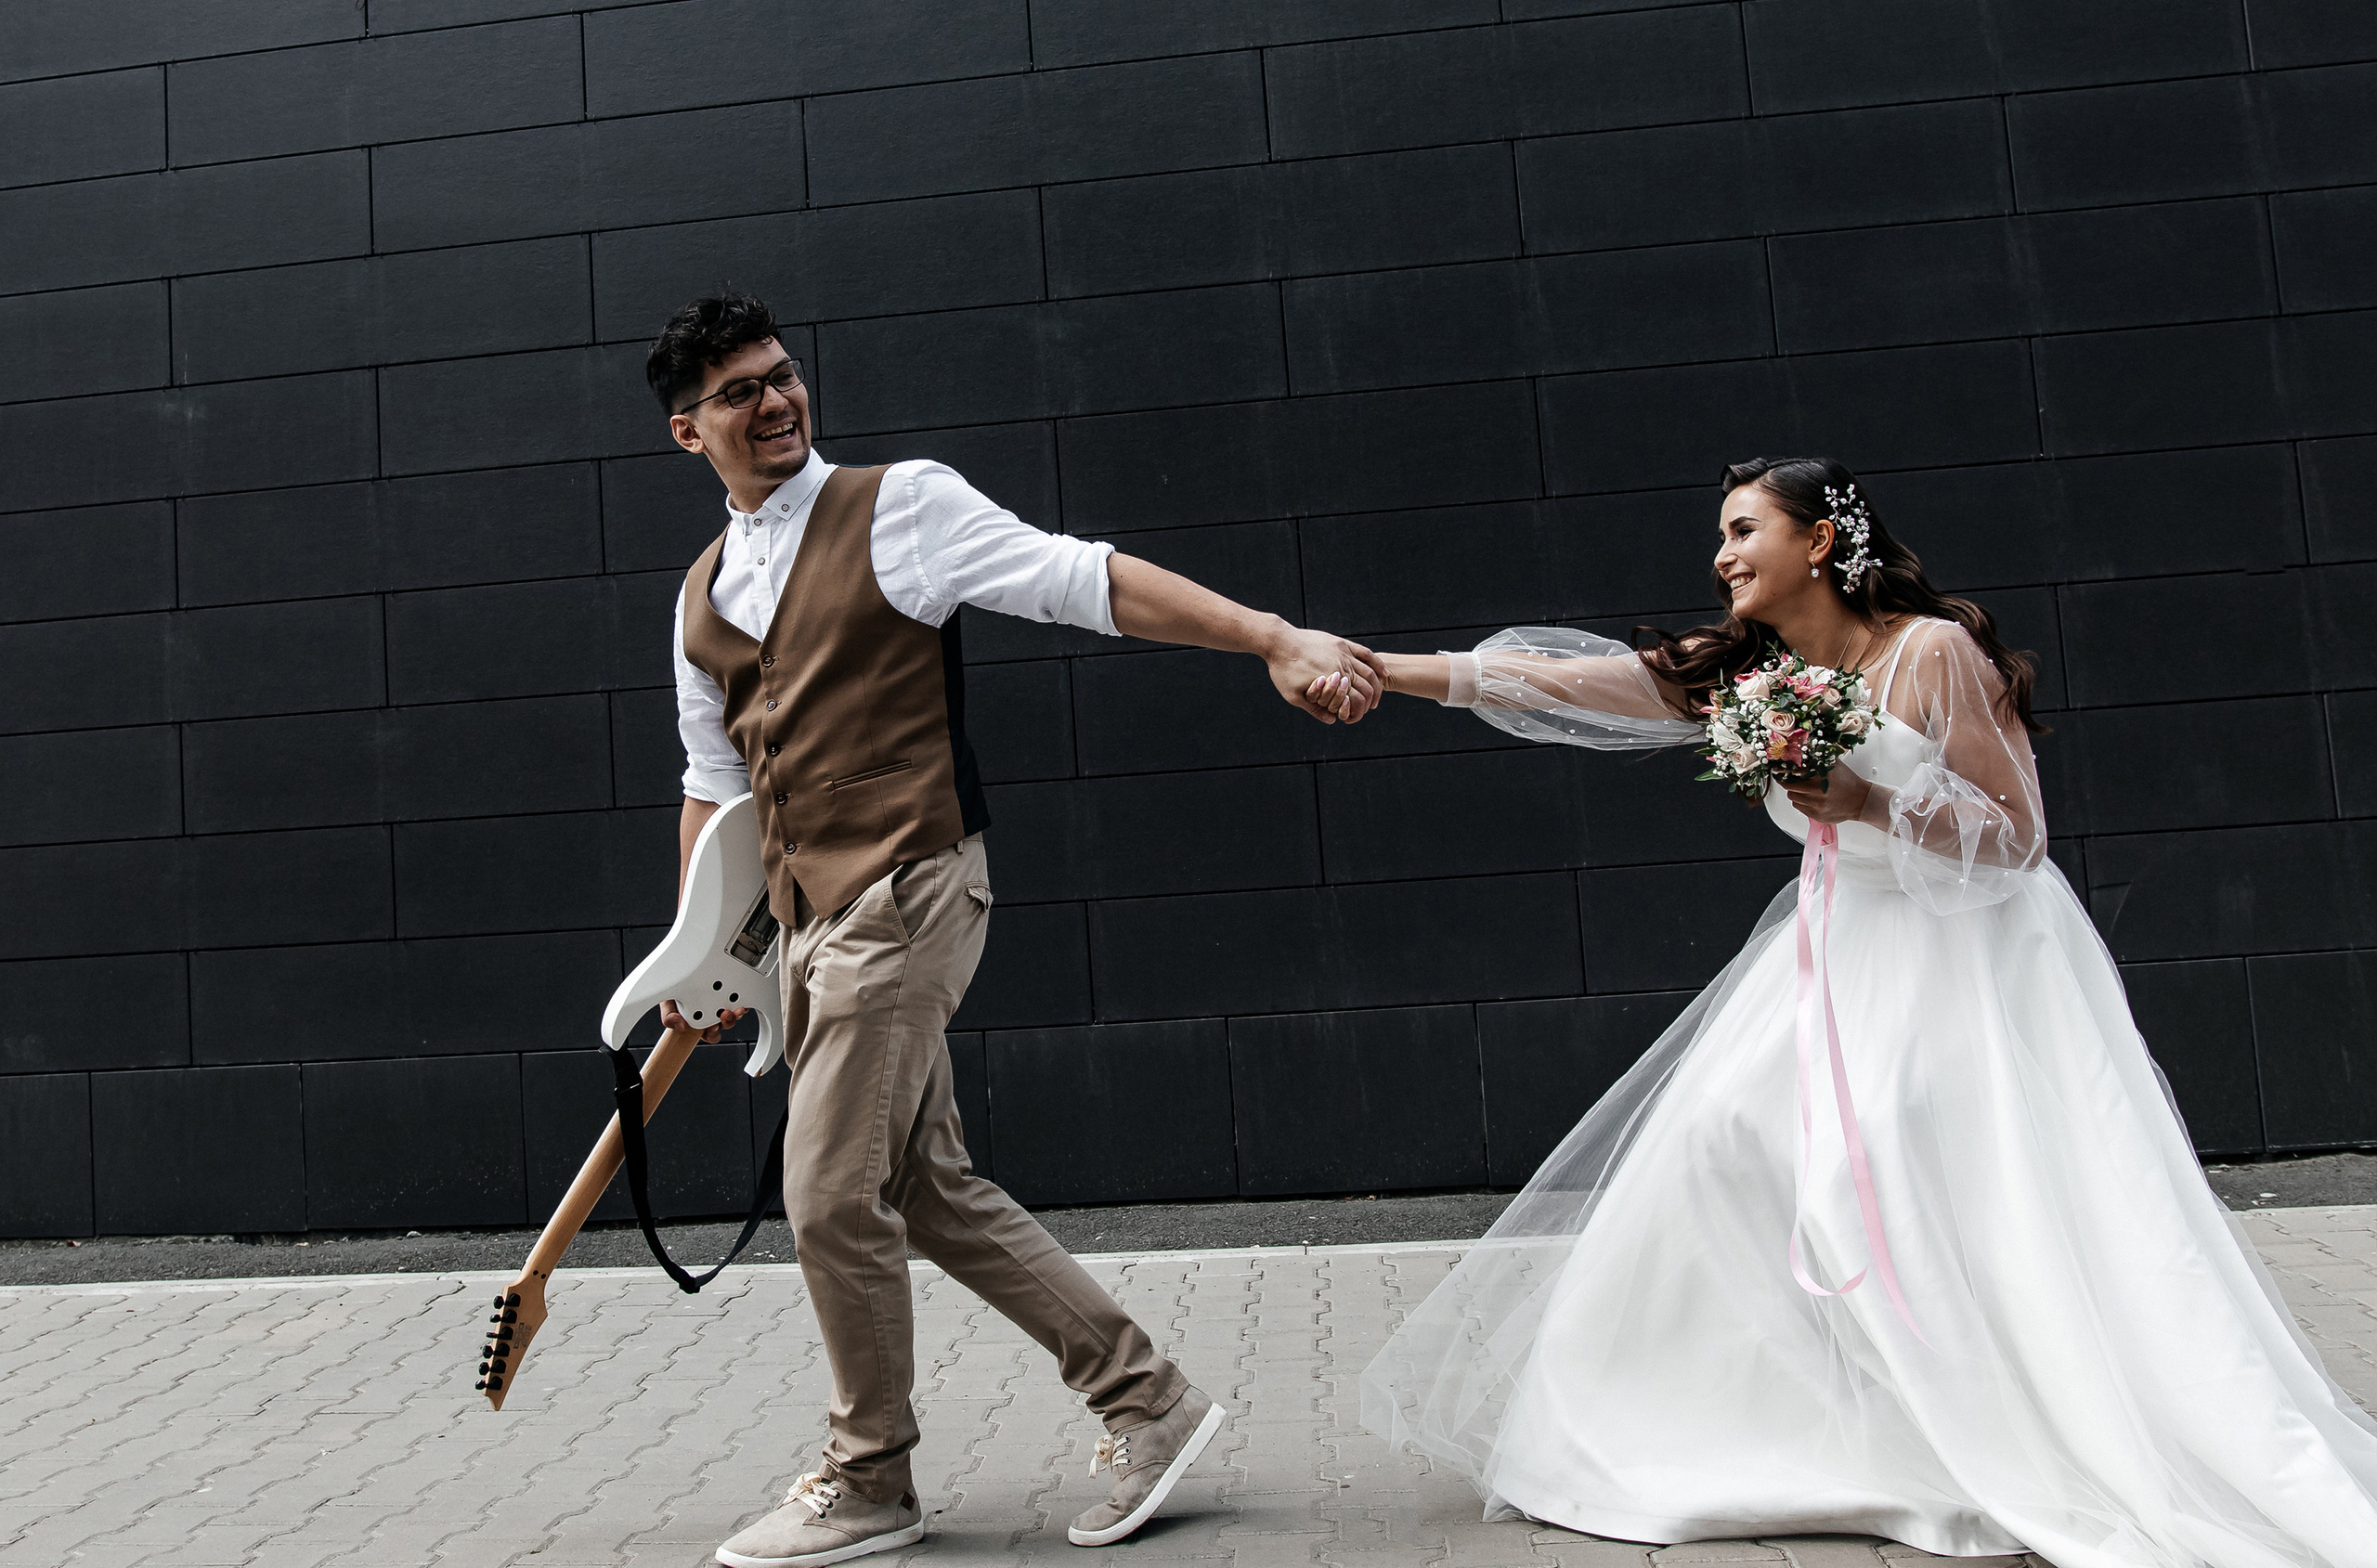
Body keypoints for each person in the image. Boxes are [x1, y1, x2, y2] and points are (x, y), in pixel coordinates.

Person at [1346, 457, 2377, 1566]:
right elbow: (1556, 684)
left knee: (1916, 1181)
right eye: (1721, 535)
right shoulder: (1754, 671)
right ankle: (1754, 1422)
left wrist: (1873, 800)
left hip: (1966, 958)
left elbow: (2017, 836)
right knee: (1714, 1139)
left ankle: (1979, 1417)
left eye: (1744, 530)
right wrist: (1374, 669)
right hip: (1835, 955)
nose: (1722, 555)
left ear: (1820, 544)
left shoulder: (1931, 652)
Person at [647, 294, 1379, 1568]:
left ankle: (870, 1471)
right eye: (738, 393)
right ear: (686, 429)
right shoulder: (701, 595)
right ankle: (1148, 1397)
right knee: (925, 1185)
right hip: (807, 918)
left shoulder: (901, 505)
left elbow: (1082, 579)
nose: (774, 402)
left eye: (781, 375)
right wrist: (693, 953)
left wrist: (1266, 635)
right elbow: (712, 784)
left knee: (826, 1191)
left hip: (909, 886)